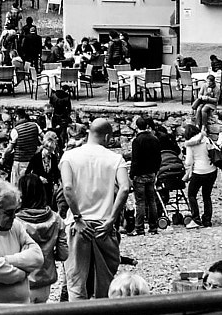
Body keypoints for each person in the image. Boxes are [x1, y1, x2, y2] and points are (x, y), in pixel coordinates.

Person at [59, 118, 129, 300]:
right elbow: (125, 187)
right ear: (106, 136)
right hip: (103, 225)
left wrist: (78, 217)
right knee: (105, 284)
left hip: (78, 225)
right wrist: (112, 219)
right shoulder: (115, 159)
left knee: (76, 284)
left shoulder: (69, 157)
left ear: (88, 132)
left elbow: (67, 188)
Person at [15, 172, 66, 304]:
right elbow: (64, 254)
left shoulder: (15, 222)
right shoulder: (56, 219)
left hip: (22, 281)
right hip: (45, 280)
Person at [127, 115, 162, 235]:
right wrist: (156, 171)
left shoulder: (137, 141)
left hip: (140, 175)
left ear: (137, 127)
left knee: (140, 202)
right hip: (151, 173)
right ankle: (153, 227)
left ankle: (139, 228)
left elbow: (135, 160)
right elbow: (158, 158)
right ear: (147, 126)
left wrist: (131, 175)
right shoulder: (155, 139)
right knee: (152, 201)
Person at [180, 123, 218, 229]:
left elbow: (188, 162)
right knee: (207, 195)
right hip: (211, 170)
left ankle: (196, 218)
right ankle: (207, 220)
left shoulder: (189, 144)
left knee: (192, 194)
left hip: (199, 171)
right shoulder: (206, 139)